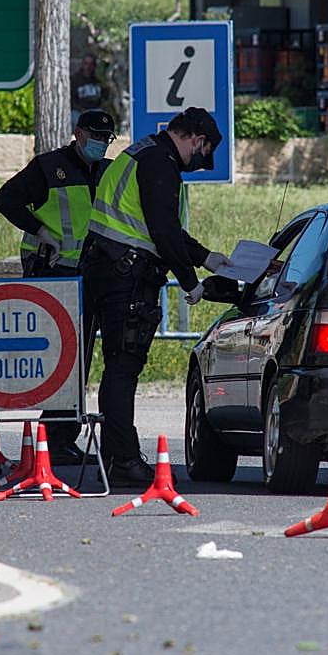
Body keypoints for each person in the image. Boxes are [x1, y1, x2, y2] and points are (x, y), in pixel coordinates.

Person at [84, 107, 230, 486]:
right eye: (205, 152)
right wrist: (191, 283)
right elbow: (162, 231)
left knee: (116, 368)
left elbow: (162, 227)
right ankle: (124, 460)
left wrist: (207, 258)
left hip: (107, 267)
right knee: (123, 367)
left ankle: (117, 454)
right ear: (197, 140)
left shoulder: (142, 154)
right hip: (127, 276)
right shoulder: (160, 163)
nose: (201, 162)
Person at [0, 109, 116, 465]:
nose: (100, 144)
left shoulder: (107, 171)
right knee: (61, 356)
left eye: (106, 139)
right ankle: (55, 439)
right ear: (77, 133)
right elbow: (4, 200)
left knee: (79, 357)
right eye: (94, 136)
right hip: (53, 272)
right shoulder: (49, 166)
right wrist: (40, 230)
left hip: (90, 274)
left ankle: (60, 437)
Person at [70, 54, 106, 127]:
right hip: (79, 111)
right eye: (86, 63)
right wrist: (81, 109)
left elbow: (105, 98)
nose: (88, 67)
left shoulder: (99, 80)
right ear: (82, 64)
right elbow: (71, 100)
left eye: (91, 64)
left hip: (95, 110)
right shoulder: (74, 80)